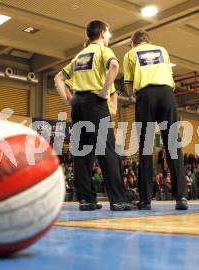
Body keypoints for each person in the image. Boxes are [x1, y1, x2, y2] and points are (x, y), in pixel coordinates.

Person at [54, 20, 135, 211]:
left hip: (78, 105)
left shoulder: (80, 55)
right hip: (95, 103)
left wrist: (69, 100)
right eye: (108, 34)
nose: (108, 37)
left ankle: (86, 200)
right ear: (102, 33)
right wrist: (104, 91)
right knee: (107, 150)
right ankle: (118, 200)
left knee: (81, 152)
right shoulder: (102, 50)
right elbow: (114, 66)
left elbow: (58, 78)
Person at [123, 29, 188, 210]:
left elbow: (128, 85)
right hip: (167, 94)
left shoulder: (130, 54)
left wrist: (135, 98)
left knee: (145, 148)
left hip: (145, 95)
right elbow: (170, 77)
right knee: (173, 146)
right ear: (149, 41)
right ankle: (181, 197)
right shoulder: (162, 50)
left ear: (133, 43)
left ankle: (145, 200)